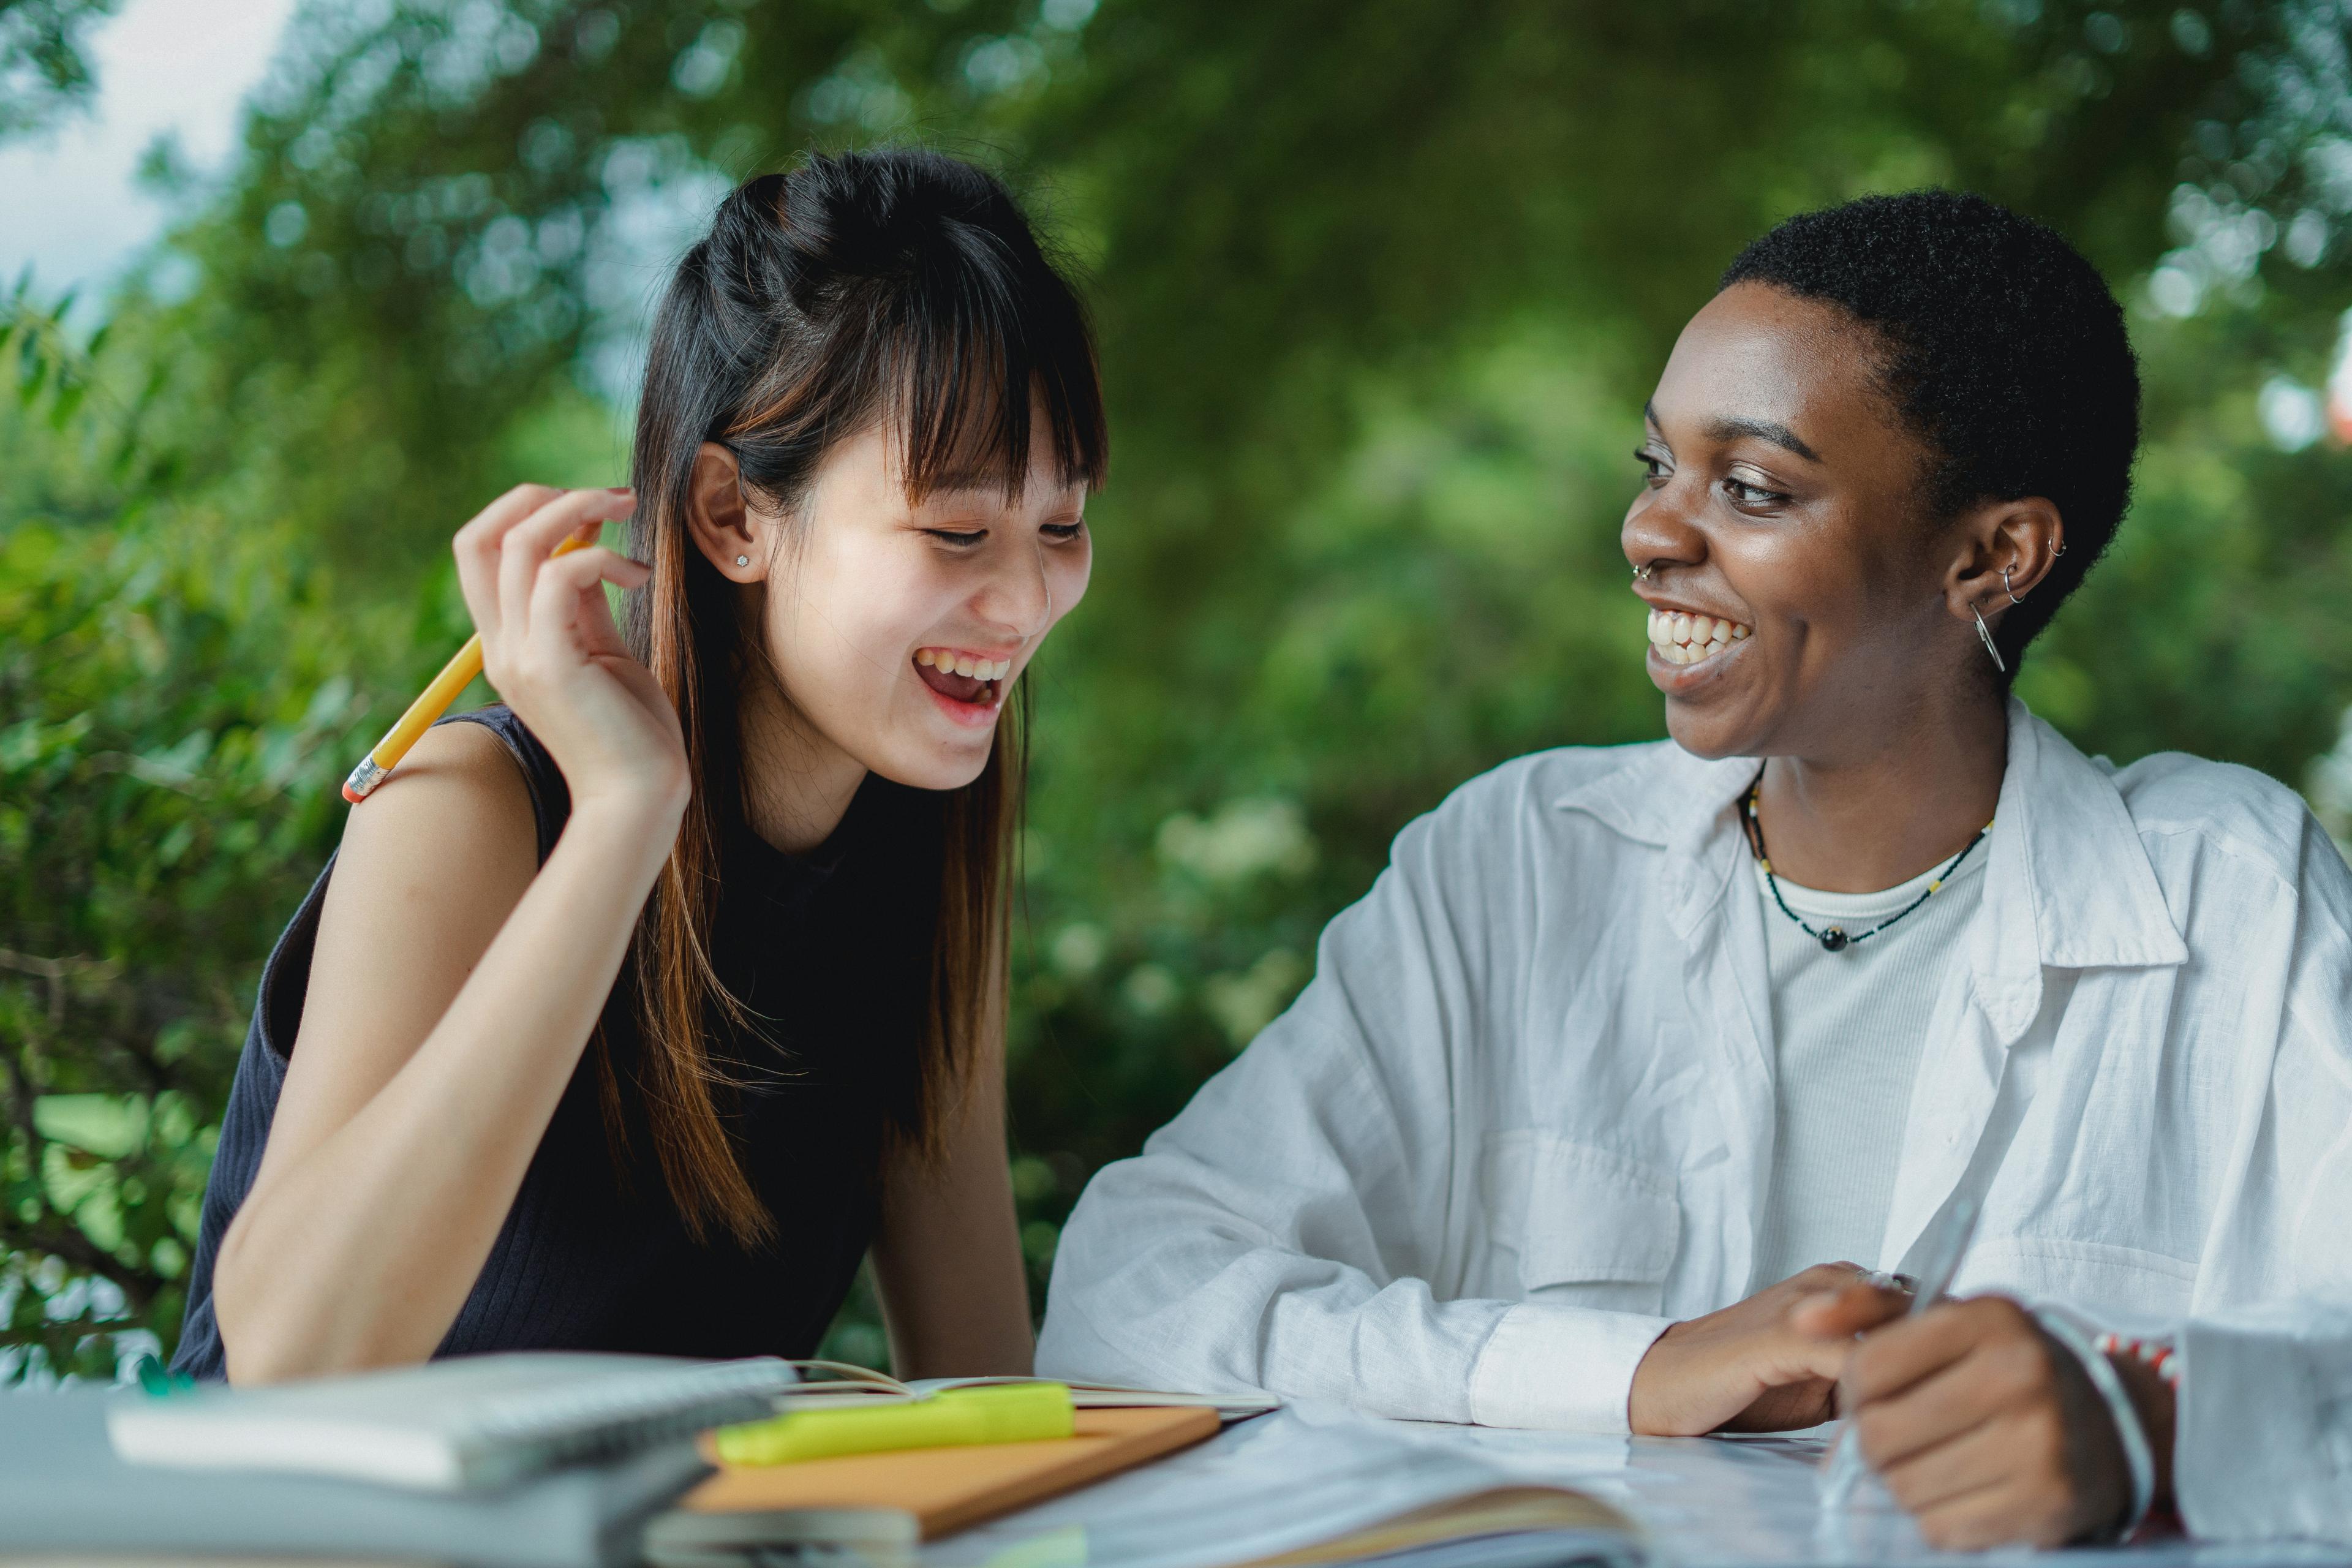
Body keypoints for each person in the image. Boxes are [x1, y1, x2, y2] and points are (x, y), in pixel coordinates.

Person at [1038, 191, 2352, 1548]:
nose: (1651, 533)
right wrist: (1636, 1369)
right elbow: (1135, 1291)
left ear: (1990, 555)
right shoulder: (1519, 872)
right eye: (1655, 464)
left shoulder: (2231, 905)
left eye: (1752, 488)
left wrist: (2157, 1426)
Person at [173, 149, 1106, 1384]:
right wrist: (623, 817)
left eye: (1062, 524)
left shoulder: (921, 842)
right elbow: (287, 1356)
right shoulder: (472, 807)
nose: (1029, 593)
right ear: (731, 516)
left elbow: (985, 1378)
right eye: (956, 530)